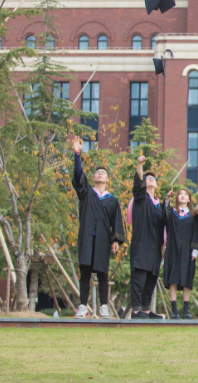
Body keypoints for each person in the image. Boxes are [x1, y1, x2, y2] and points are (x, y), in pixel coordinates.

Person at [69, 137, 125, 319]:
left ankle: (103, 307)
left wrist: (116, 239)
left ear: (108, 179)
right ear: (92, 178)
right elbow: (78, 176)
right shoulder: (86, 193)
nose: (100, 174)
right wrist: (78, 154)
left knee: (102, 274)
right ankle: (83, 306)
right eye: (97, 172)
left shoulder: (112, 200)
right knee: (85, 273)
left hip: (102, 239)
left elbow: (116, 221)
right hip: (87, 236)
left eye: (103, 172)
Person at [129, 155, 166, 319]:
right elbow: (137, 185)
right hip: (141, 244)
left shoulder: (159, 204)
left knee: (151, 278)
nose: (150, 180)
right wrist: (139, 165)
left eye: (153, 178)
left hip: (155, 247)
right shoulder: (140, 198)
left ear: (157, 183)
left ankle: (145, 309)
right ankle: (136, 310)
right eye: (147, 178)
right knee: (139, 278)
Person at [161, 188, 198, 320]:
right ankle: (174, 310)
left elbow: (197, 233)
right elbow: (164, 215)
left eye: (186, 195)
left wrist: (195, 251)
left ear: (189, 199)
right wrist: (167, 199)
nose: (183, 196)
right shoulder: (172, 213)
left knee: (187, 280)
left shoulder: (193, 215)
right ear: (177, 198)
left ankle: (185, 310)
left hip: (188, 251)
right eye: (180, 194)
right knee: (173, 278)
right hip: (173, 249)